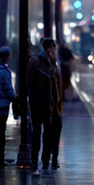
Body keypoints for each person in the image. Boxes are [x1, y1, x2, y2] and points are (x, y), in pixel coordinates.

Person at [28, 37, 62, 174]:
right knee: (37, 133)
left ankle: (45, 160)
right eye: (54, 48)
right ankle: (36, 161)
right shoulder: (37, 61)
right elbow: (30, 81)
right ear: (49, 49)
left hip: (50, 105)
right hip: (39, 103)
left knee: (47, 133)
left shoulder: (52, 63)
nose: (55, 50)